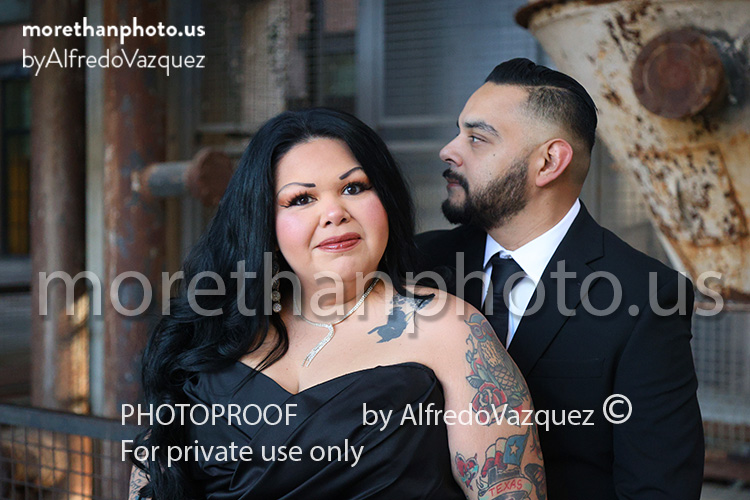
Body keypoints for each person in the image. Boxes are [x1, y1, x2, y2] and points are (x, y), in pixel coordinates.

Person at [128, 108, 546, 500]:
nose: (334, 212)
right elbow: (153, 479)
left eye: (353, 188)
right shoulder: (209, 327)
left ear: (386, 199)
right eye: (301, 199)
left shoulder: (450, 328)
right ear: (263, 220)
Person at [416, 58, 704, 499]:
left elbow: (658, 489)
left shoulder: (646, 297)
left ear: (549, 162)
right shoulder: (418, 264)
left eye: (477, 138)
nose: (449, 150)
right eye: (459, 133)